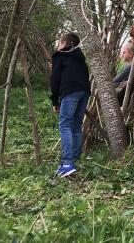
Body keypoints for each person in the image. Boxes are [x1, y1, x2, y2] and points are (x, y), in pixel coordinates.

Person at [50, 32, 91, 177]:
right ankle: (75, 158)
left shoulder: (60, 56)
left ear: (64, 44)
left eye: (59, 43)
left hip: (70, 92)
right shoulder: (80, 59)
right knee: (75, 125)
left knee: (65, 124)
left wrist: (55, 101)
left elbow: (54, 80)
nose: (57, 46)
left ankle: (67, 163)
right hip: (84, 92)